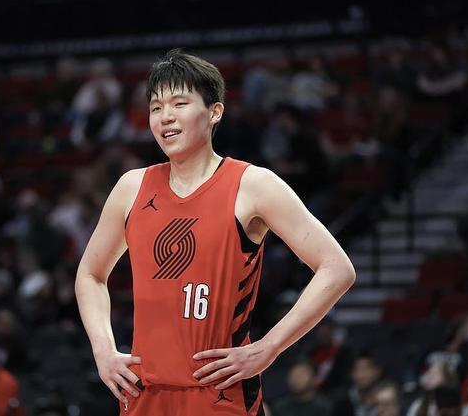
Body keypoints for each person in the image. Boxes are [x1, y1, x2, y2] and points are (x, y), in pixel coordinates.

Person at [74, 49, 356, 416]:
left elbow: (337, 268)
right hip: (144, 394)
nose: (165, 116)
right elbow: (90, 274)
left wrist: (268, 347)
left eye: (179, 103)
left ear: (214, 112)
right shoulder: (131, 187)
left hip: (220, 395)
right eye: (156, 107)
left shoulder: (254, 185)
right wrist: (103, 351)